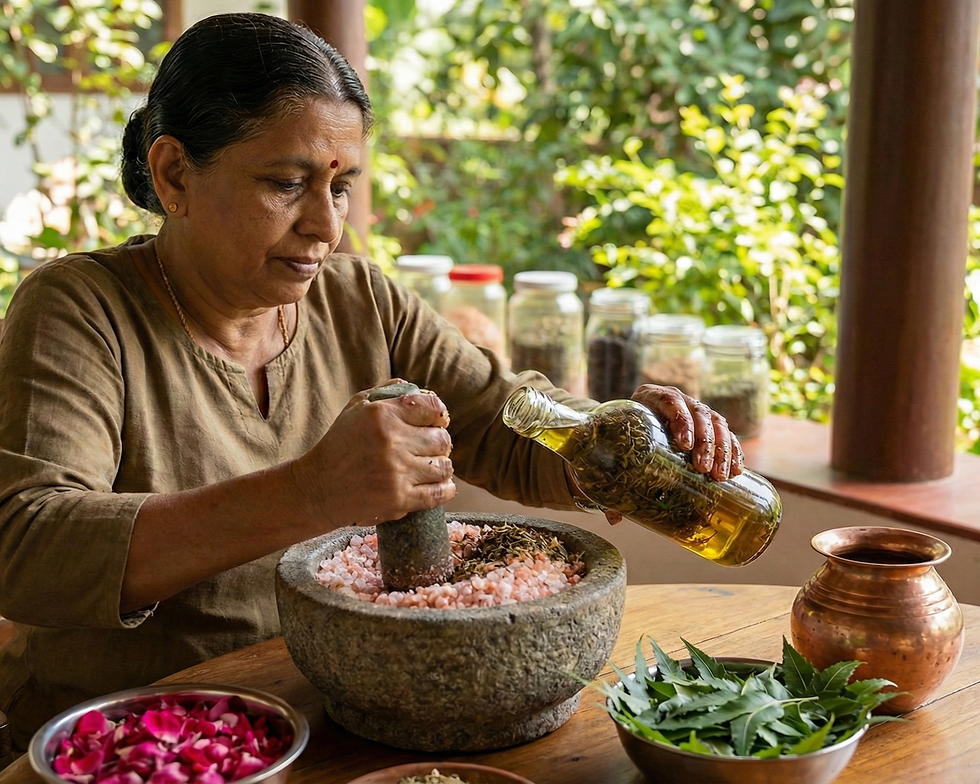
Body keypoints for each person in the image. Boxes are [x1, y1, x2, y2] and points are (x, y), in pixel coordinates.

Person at [0, 13, 741, 751]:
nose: (327, 225)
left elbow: (500, 422)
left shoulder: (360, 301)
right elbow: (25, 546)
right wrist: (310, 493)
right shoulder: (78, 309)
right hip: (133, 744)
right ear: (174, 175)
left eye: (341, 186)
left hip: (330, 715)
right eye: (286, 183)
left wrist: (617, 441)